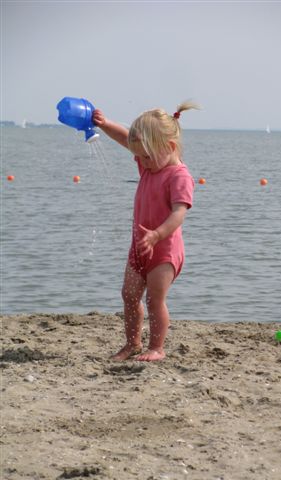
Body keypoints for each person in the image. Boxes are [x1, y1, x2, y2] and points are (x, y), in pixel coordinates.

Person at [92, 102, 199, 361]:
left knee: (154, 299)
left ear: (170, 148)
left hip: (164, 249)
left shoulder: (178, 176)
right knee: (129, 295)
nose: (140, 161)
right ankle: (132, 344)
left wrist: (157, 235)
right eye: (138, 156)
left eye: (145, 157)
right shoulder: (150, 164)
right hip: (140, 246)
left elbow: (179, 213)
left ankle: (157, 348)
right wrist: (105, 125)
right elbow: (126, 140)